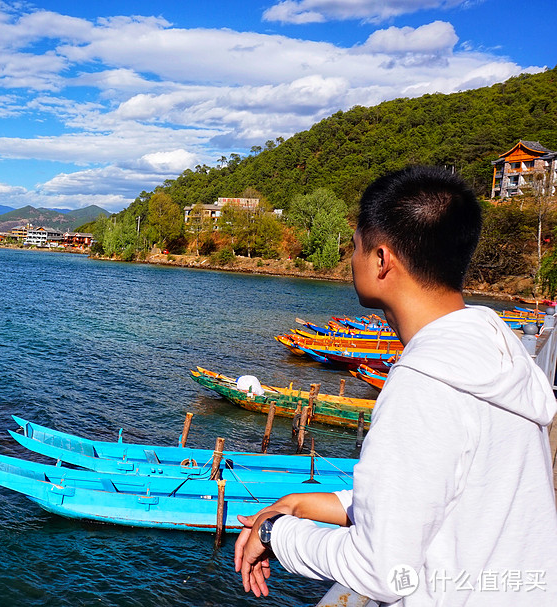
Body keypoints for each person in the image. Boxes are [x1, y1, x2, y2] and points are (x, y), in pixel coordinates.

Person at [235, 166, 557, 605]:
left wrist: (276, 534)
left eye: (354, 246)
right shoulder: (499, 356)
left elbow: (379, 568)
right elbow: (434, 493)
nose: (350, 259)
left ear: (382, 259)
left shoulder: (425, 385)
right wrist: (298, 503)